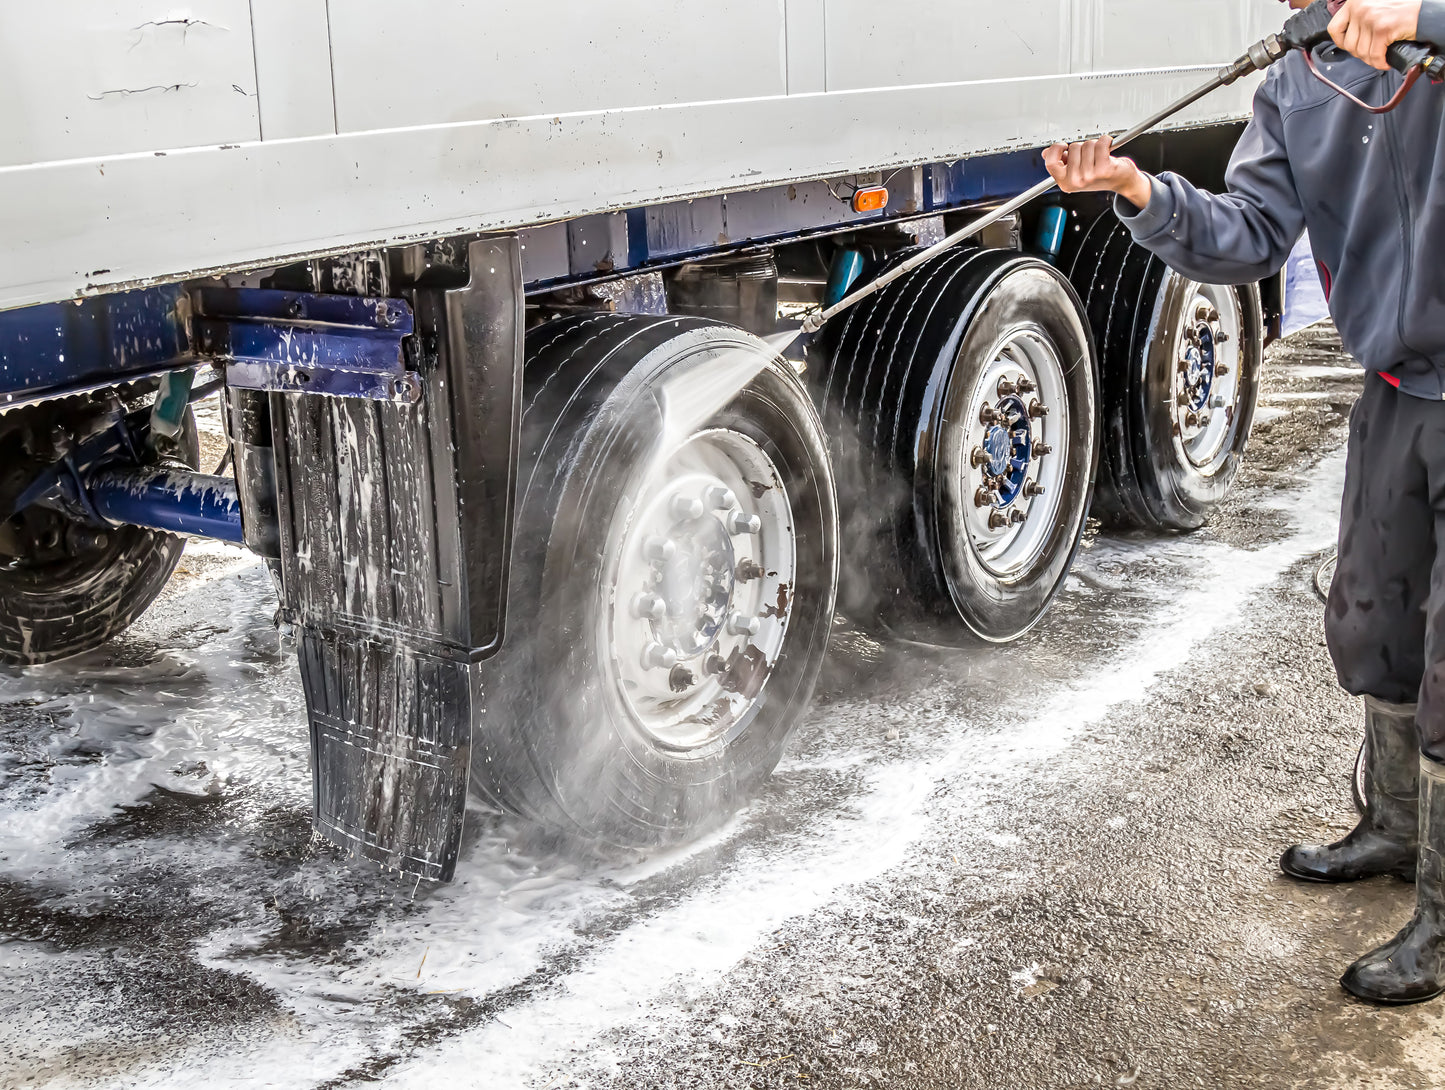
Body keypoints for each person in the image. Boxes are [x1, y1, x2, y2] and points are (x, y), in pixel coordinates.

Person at [1043, 0, 1445, 1004]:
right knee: (1373, 625)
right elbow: (1248, 234)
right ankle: (1397, 826)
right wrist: (1138, 191)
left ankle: (1441, 921)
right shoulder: (1293, 83)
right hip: (1397, 392)